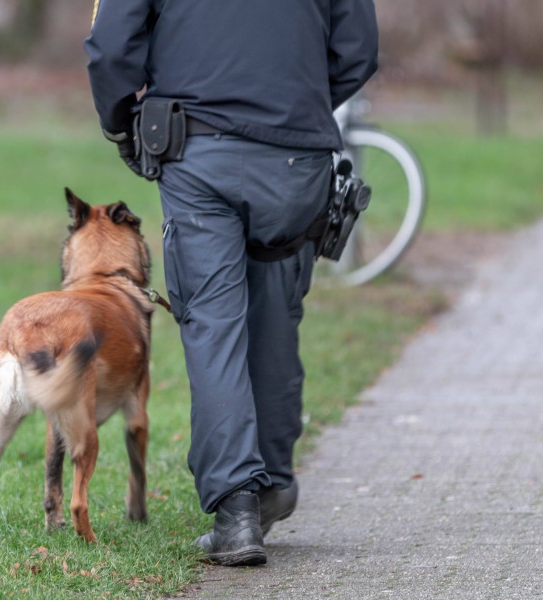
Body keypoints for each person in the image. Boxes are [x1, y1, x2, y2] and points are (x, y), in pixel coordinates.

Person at [85, 1, 378, 566]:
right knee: (274, 316)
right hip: (299, 155)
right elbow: (359, 49)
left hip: (200, 149)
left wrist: (121, 125)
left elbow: (112, 45)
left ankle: (236, 509)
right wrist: (295, 104)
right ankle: (272, 485)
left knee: (214, 325)